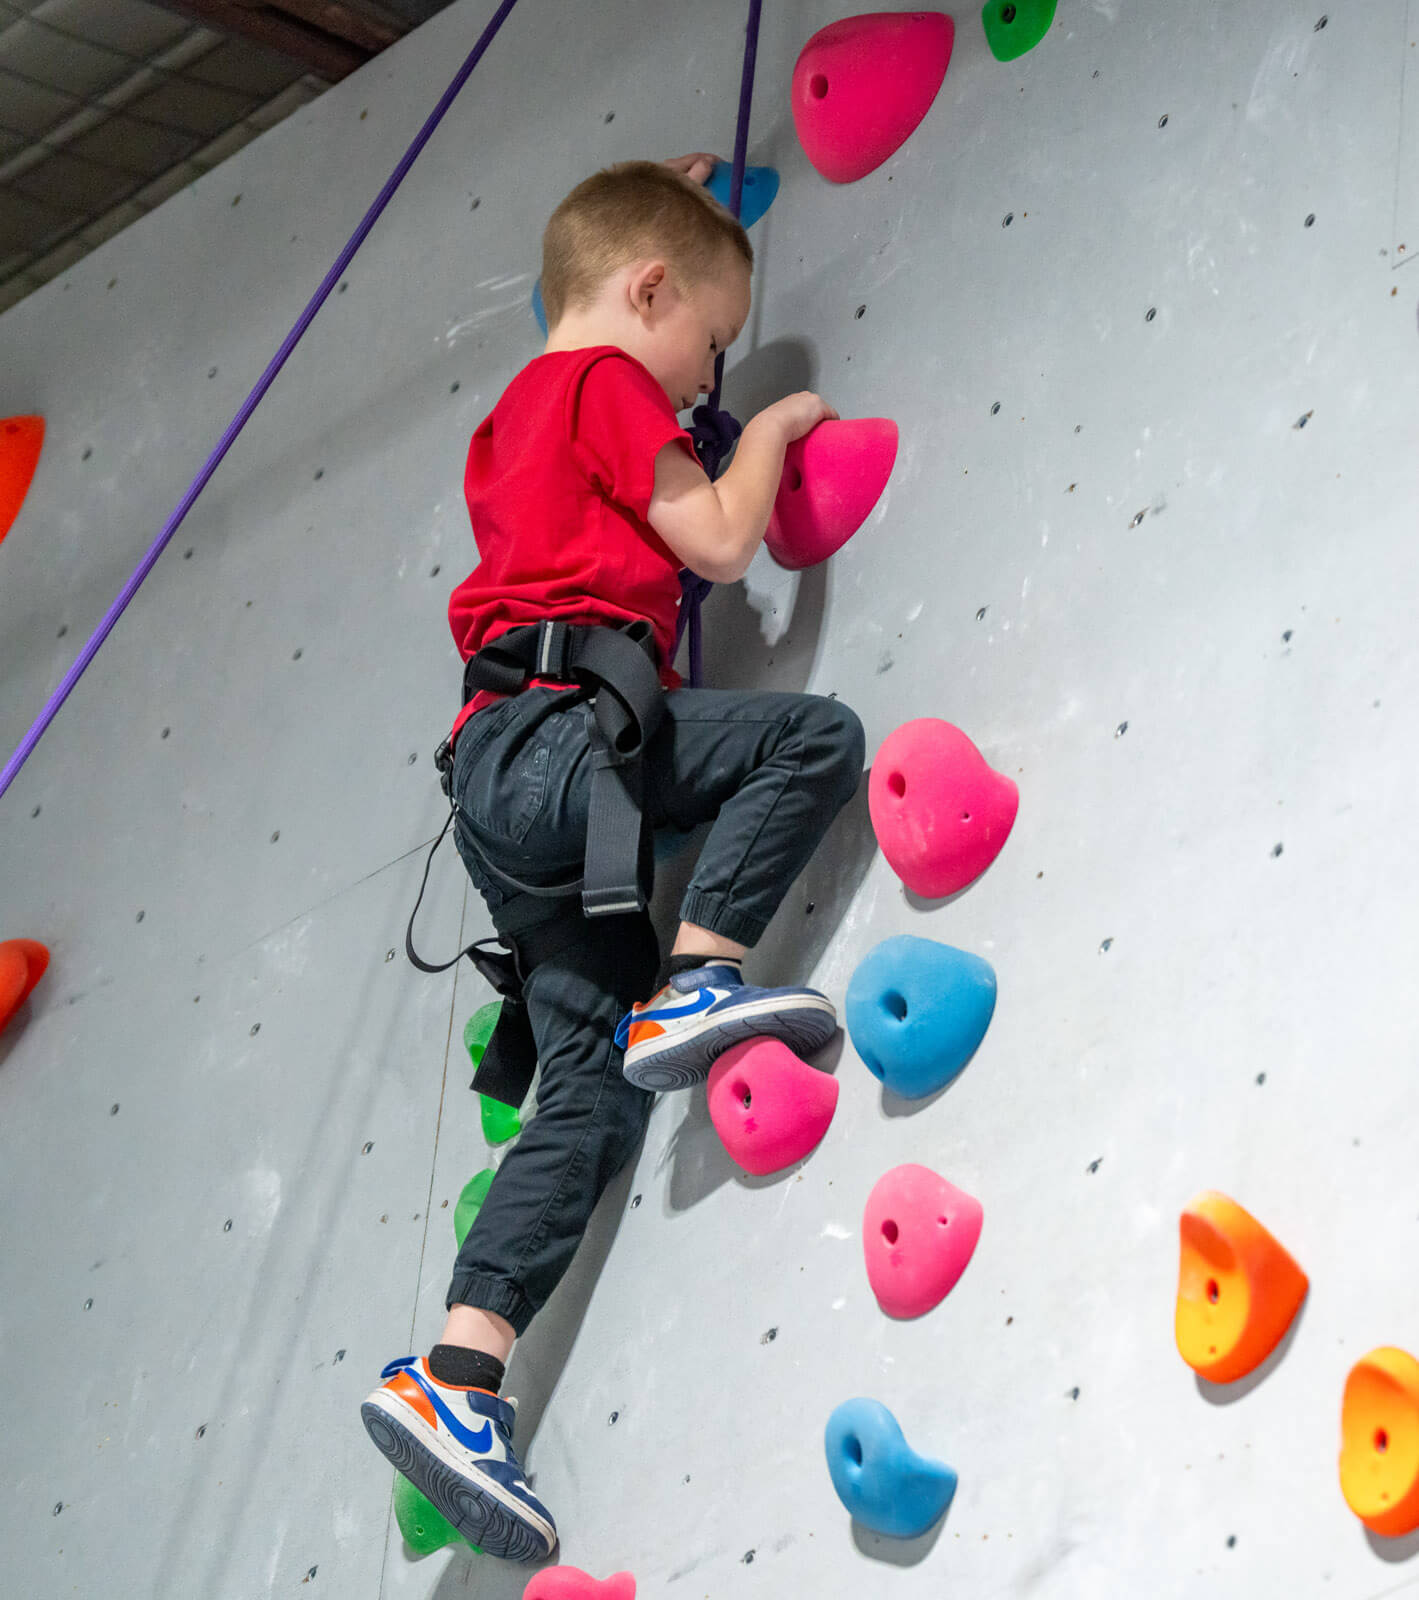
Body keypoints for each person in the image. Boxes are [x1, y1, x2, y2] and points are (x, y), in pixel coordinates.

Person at [361, 154, 865, 1563]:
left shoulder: (524, 409)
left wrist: (666, 198)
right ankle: (700, 980)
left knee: (586, 1089)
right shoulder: (606, 388)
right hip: (569, 743)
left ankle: (458, 1376)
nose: (707, 380)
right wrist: (774, 430)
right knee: (811, 741)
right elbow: (719, 538)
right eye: (709, 340)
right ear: (648, 294)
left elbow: (607, 265)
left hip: (499, 781)